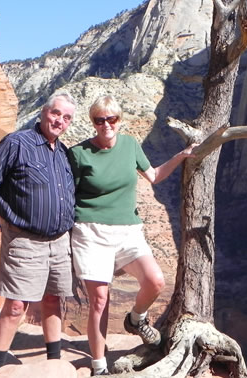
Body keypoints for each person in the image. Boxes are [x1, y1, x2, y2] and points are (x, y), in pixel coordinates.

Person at [68, 95, 196, 376]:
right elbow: (68, 195)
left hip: (128, 230)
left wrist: (181, 156)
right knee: (100, 300)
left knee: (155, 280)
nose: (106, 125)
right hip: (90, 232)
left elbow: (154, 175)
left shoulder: (129, 145)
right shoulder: (78, 154)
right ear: (93, 122)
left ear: (119, 120)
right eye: (99, 120)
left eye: (111, 119)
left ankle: (136, 319)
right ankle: (99, 367)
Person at [0, 91, 77, 374]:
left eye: (66, 117)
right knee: (17, 305)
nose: (59, 120)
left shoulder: (64, 153)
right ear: (44, 112)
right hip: (24, 239)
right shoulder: (17, 143)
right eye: (56, 113)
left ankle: (53, 363)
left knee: (53, 299)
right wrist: (3, 215)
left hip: (59, 241)